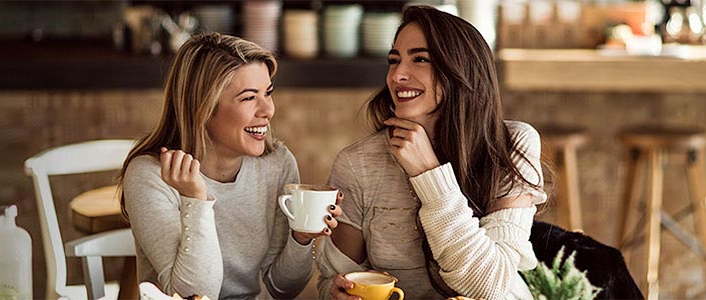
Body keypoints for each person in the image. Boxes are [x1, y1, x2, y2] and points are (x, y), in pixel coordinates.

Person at [317, 6, 548, 300]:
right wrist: (337, 293)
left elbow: (490, 287)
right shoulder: (358, 163)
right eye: (394, 60)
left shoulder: (511, 144)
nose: (398, 74)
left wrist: (428, 173)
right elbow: (331, 282)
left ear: (461, 69)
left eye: (421, 59)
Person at [120, 33, 342, 300]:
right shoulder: (151, 175)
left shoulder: (276, 164)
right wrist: (195, 200)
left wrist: (301, 238)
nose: (268, 110)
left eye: (268, 93)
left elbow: (283, 288)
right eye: (249, 98)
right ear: (202, 107)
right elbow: (194, 295)